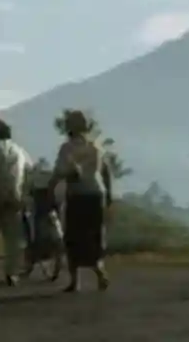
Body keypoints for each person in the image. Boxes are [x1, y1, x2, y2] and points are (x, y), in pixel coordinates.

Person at [49, 110, 113, 292]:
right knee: (94, 236)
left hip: (77, 195)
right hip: (96, 194)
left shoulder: (67, 148)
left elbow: (59, 173)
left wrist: (49, 189)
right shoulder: (95, 147)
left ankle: (74, 280)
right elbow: (106, 172)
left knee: (74, 237)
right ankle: (99, 272)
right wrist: (108, 195)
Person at [0, 119, 33, 286]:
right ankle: (11, 273)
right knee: (13, 239)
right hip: (15, 198)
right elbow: (29, 170)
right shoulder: (20, 151)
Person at [24, 164, 64, 281]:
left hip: (45, 217)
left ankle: (35, 266)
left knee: (39, 243)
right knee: (53, 244)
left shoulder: (41, 193)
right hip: (47, 217)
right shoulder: (53, 192)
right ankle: (48, 269)